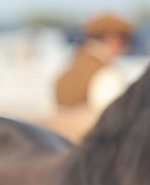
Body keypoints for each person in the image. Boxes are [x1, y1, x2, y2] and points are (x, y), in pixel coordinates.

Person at [47, 12, 136, 140]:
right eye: (124, 41)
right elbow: (112, 122)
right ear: (112, 39)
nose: (125, 48)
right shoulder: (106, 74)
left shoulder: (68, 70)